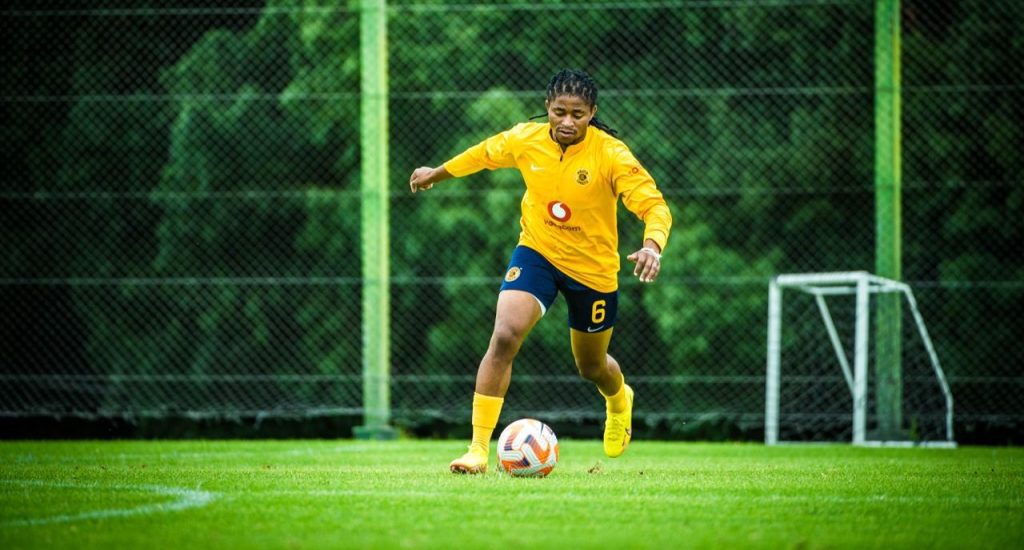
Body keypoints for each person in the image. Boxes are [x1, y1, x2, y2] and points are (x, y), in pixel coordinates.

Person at [409, 69, 672, 474]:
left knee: (592, 367)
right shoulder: (524, 138)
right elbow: (481, 154)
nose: (567, 122)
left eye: (578, 114)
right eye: (559, 112)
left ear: (592, 113)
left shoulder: (612, 154)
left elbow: (653, 205)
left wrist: (652, 244)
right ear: (547, 109)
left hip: (593, 271)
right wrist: (435, 173)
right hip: (538, 251)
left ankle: (620, 399)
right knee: (505, 334)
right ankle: (478, 449)